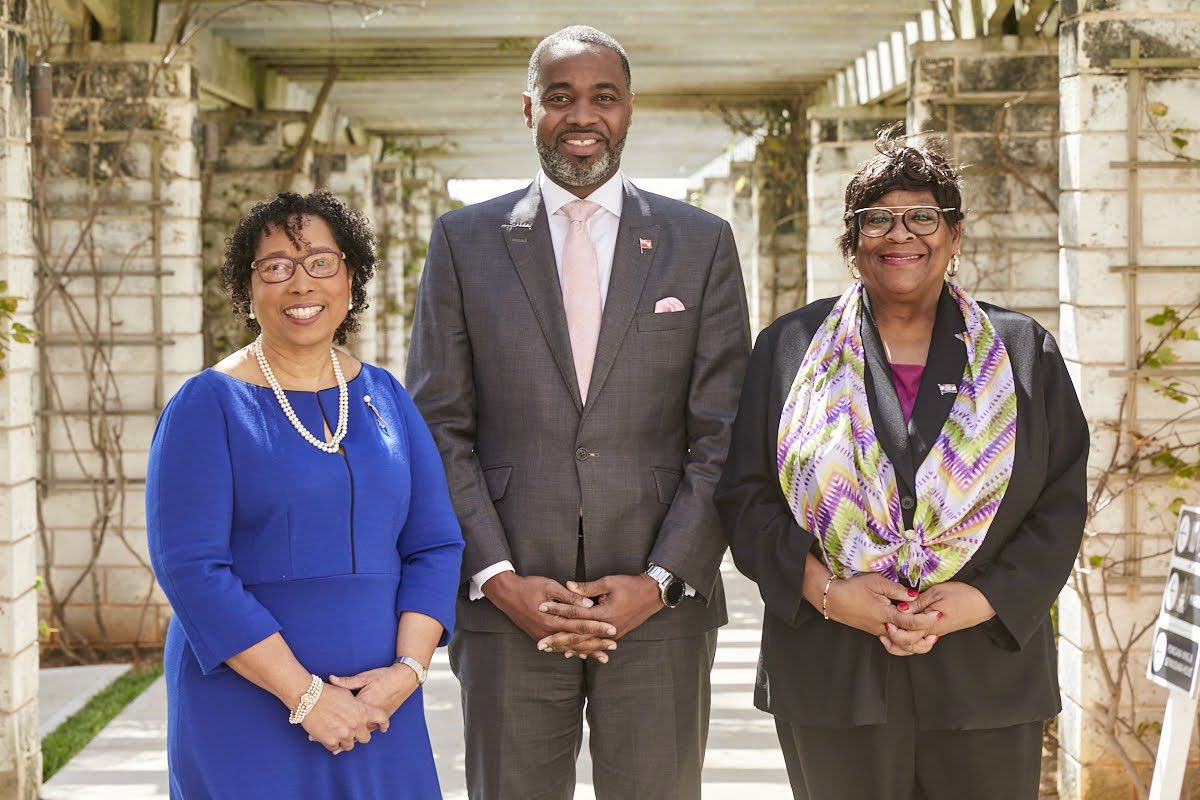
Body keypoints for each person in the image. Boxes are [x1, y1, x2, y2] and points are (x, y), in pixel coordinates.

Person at [406, 24, 750, 800]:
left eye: (603, 97)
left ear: (630, 111)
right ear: (528, 110)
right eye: (559, 98)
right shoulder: (464, 242)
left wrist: (661, 579)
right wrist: (494, 576)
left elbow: (724, 432)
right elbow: (438, 424)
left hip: (659, 609)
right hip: (510, 605)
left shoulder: (700, 244)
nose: (581, 115)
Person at [714, 130, 1088, 800]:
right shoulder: (789, 348)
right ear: (852, 240)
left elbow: (1060, 500)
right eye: (877, 218)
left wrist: (983, 599)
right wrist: (826, 592)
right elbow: (745, 496)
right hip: (832, 666)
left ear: (955, 234)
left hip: (984, 668)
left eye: (922, 216)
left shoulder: (1021, 350)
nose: (900, 234)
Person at [147, 191, 464, 799]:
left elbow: (435, 543)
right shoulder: (206, 405)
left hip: (381, 707)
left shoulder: (387, 398)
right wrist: (306, 696)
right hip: (247, 700)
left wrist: (407, 672)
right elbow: (191, 568)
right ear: (248, 286)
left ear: (350, 277)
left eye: (320, 261)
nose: (300, 283)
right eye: (276, 266)